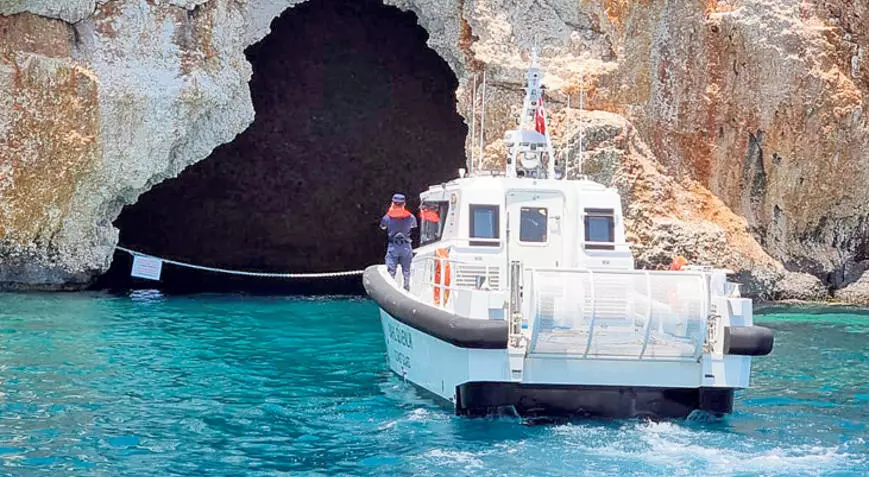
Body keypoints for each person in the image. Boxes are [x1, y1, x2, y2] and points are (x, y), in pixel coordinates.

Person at [380, 193, 417, 290]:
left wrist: (390, 211)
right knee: (406, 271)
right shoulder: (411, 217)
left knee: (391, 271)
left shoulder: (387, 217)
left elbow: (383, 227)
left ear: (393, 203)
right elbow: (414, 226)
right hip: (406, 246)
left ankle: (390, 290)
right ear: (404, 204)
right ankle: (406, 289)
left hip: (393, 246)